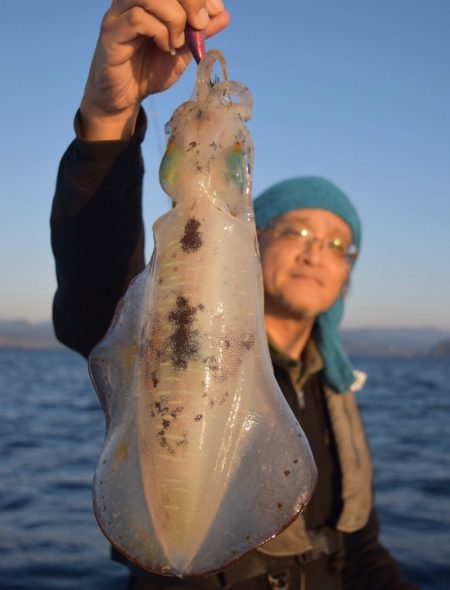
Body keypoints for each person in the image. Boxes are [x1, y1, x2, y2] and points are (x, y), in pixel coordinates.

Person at [50, 1, 419, 589]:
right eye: (296, 231)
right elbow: (93, 299)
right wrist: (107, 119)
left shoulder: (331, 387)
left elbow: (363, 550)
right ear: (257, 235)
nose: (313, 252)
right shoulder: (161, 318)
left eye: (336, 244)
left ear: (347, 276)